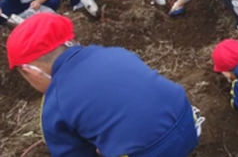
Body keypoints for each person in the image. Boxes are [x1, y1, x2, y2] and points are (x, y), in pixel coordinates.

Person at [6, 13, 200, 156]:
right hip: (187, 119)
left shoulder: (55, 103)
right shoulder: (112, 52)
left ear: (29, 71)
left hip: (151, 151)